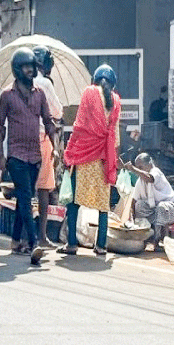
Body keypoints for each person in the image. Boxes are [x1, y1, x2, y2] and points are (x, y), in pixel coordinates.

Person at [0, 48, 55, 266]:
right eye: (26, 67)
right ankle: (34, 242)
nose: (31, 70)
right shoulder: (6, 96)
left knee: (22, 198)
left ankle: (14, 241)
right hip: (16, 155)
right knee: (28, 197)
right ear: (17, 69)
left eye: (32, 66)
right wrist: (1, 158)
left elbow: (48, 121)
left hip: (35, 155)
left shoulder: (40, 93)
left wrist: (55, 146)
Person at [57, 64, 121, 256]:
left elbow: (79, 126)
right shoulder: (116, 101)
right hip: (103, 158)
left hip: (83, 157)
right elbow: (115, 137)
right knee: (103, 204)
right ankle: (101, 245)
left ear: (94, 79)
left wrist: (69, 151)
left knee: (74, 200)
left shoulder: (89, 92)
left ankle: (72, 244)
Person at [33, 45, 63, 248]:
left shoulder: (18, 83)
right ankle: (42, 237)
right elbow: (58, 111)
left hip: (22, 139)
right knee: (44, 189)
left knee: (25, 189)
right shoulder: (44, 83)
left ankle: (24, 237)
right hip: (42, 138)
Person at [124, 153, 174, 250]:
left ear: (149, 164)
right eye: (137, 167)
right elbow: (134, 201)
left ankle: (157, 240)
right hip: (154, 210)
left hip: (171, 209)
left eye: (140, 167)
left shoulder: (156, 172)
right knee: (140, 205)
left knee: (161, 207)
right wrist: (132, 218)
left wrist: (133, 169)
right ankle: (145, 237)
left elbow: (150, 178)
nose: (138, 169)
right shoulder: (141, 180)